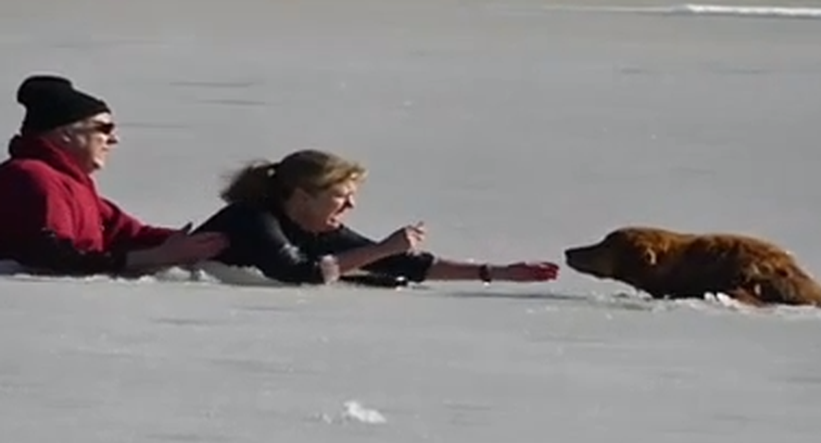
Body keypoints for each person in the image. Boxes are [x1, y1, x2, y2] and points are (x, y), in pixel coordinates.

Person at [192, 148, 560, 287]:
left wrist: (498, 272)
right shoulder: (252, 219)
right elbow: (297, 273)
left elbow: (402, 262)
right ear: (303, 196)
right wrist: (380, 249)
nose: (350, 206)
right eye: (341, 196)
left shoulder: (316, 225)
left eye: (354, 197)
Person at [0, 74, 227, 276]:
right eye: (104, 129)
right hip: (55, 311)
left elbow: (131, 236)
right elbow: (48, 258)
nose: (113, 139)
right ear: (66, 134)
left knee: (243, 223)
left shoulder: (70, 183)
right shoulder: (32, 177)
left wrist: (202, 244)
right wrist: (157, 257)